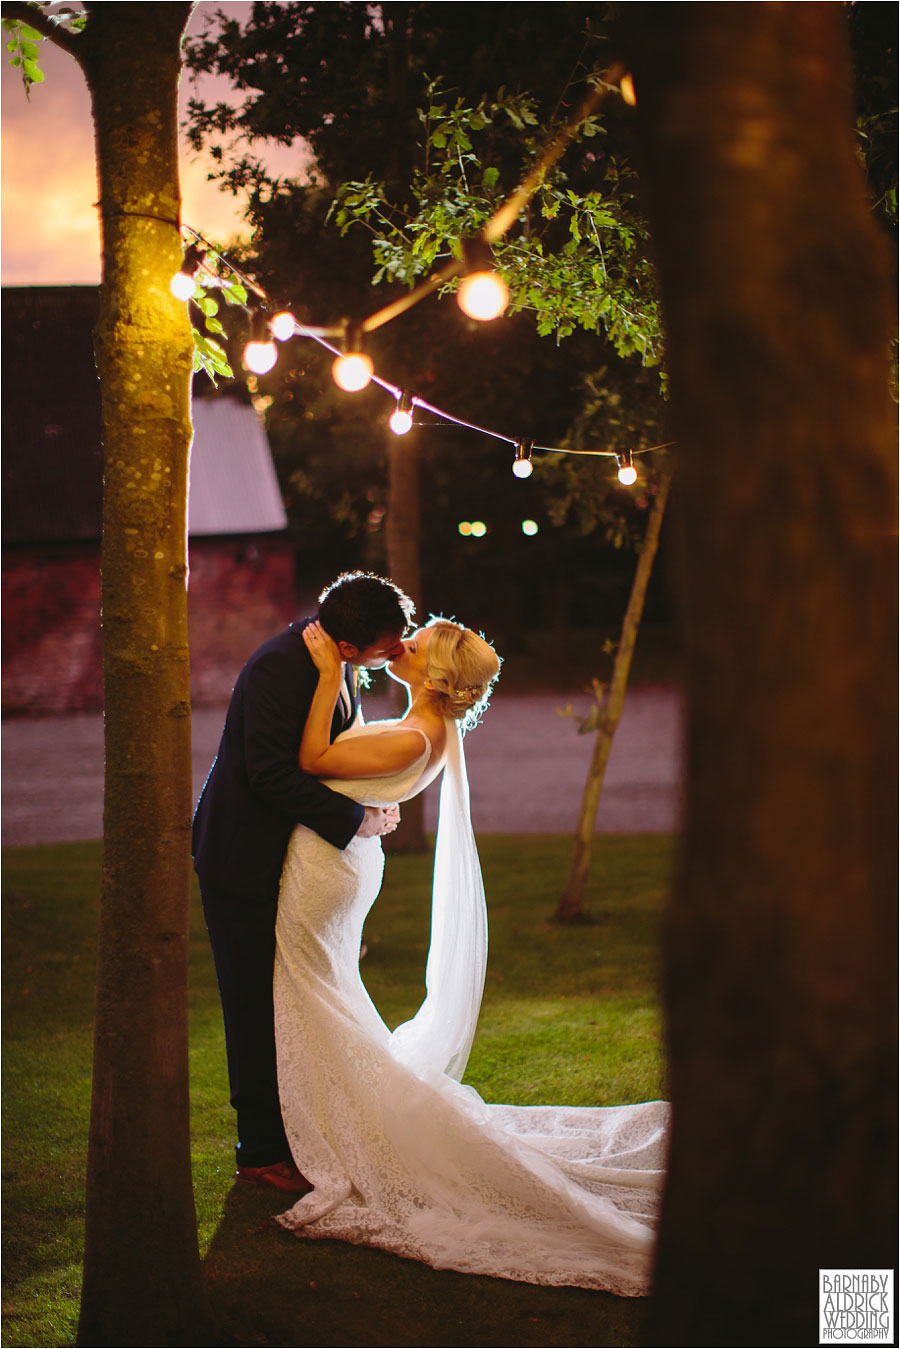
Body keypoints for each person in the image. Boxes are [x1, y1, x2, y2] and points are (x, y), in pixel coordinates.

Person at [272, 616, 670, 1295]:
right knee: (324, 998)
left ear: (435, 673)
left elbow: (313, 758)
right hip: (336, 863)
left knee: (316, 995)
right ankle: (316, 1119)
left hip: (325, 880)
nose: (404, 643)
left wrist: (330, 672)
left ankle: (332, 1129)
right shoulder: (418, 727)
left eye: (418, 642)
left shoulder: (414, 734)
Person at [192, 571, 415, 1193]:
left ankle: (299, 1130)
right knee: (251, 1003)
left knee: (287, 999)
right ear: (348, 646)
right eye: (388, 643)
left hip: (285, 857)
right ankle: (259, 1150)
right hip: (241, 858)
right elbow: (266, 772)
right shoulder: (280, 668)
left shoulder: (329, 661)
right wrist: (356, 818)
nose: (398, 650)